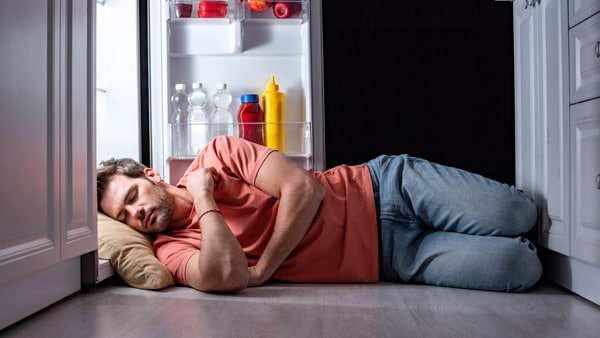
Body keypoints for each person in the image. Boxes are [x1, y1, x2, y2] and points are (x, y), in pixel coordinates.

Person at [96, 136, 542, 293]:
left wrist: (266, 267)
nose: (138, 211)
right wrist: (207, 202)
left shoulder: (218, 153)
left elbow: (302, 189)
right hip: (390, 260)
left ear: (151, 175)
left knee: (518, 211)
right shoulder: (172, 249)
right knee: (521, 266)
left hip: (387, 187)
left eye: (133, 194)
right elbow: (225, 277)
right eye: (126, 214)